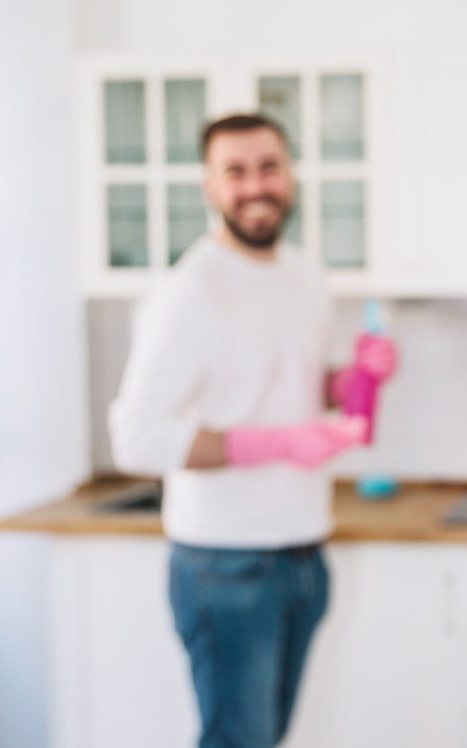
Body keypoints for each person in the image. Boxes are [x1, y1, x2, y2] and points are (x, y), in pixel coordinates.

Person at [109, 113, 396, 748]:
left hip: (303, 550)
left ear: (290, 174)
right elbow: (137, 437)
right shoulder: (191, 290)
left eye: (268, 167)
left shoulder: (305, 275)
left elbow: (295, 383)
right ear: (210, 187)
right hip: (225, 566)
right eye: (234, 172)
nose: (254, 186)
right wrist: (273, 444)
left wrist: (352, 381)